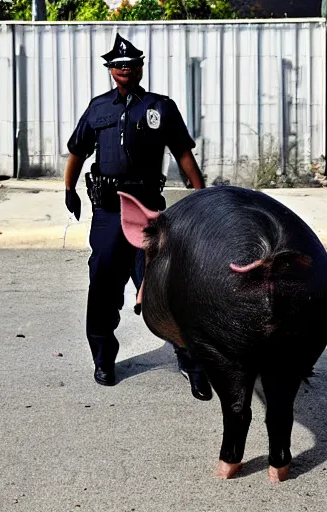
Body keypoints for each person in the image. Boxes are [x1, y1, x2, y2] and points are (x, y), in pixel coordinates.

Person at [64, 33, 212, 401]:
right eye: (117, 65)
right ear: (110, 70)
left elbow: (182, 153)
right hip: (109, 212)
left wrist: (202, 195)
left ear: (140, 67)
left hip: (148, 211)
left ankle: (191, 363)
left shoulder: (160, 106)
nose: (123, 70)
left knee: (165, 287)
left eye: (130, 65)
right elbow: (77, 152)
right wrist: (68, 189)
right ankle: (103, 358)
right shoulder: (98, 108)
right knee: (102, 283)